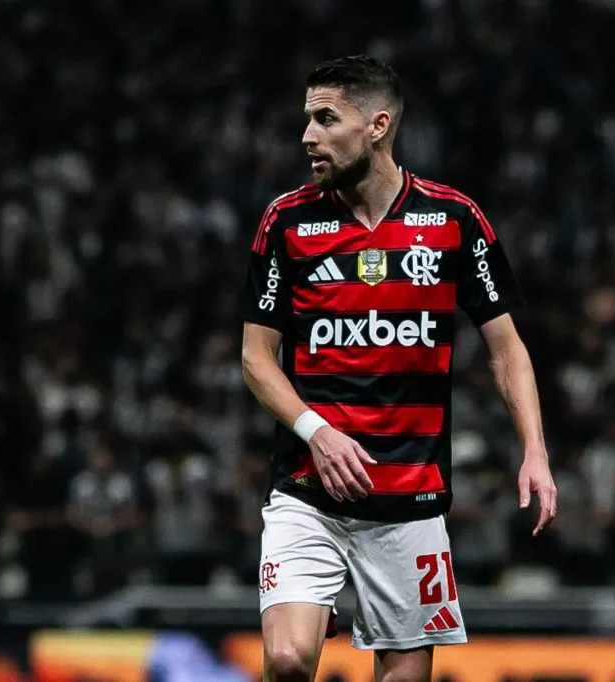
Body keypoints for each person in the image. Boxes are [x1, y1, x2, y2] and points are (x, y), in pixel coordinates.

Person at [241, 55, 557, 682]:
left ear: (377, 125)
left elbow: (507, 348)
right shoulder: (287, 220)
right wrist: (317, 432)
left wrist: (535, 451)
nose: (308, 136)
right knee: (285, 659)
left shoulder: (454, 220)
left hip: (410, 498)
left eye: (326, 119)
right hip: (310, 489)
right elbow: (255, 358)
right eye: (307, 120)